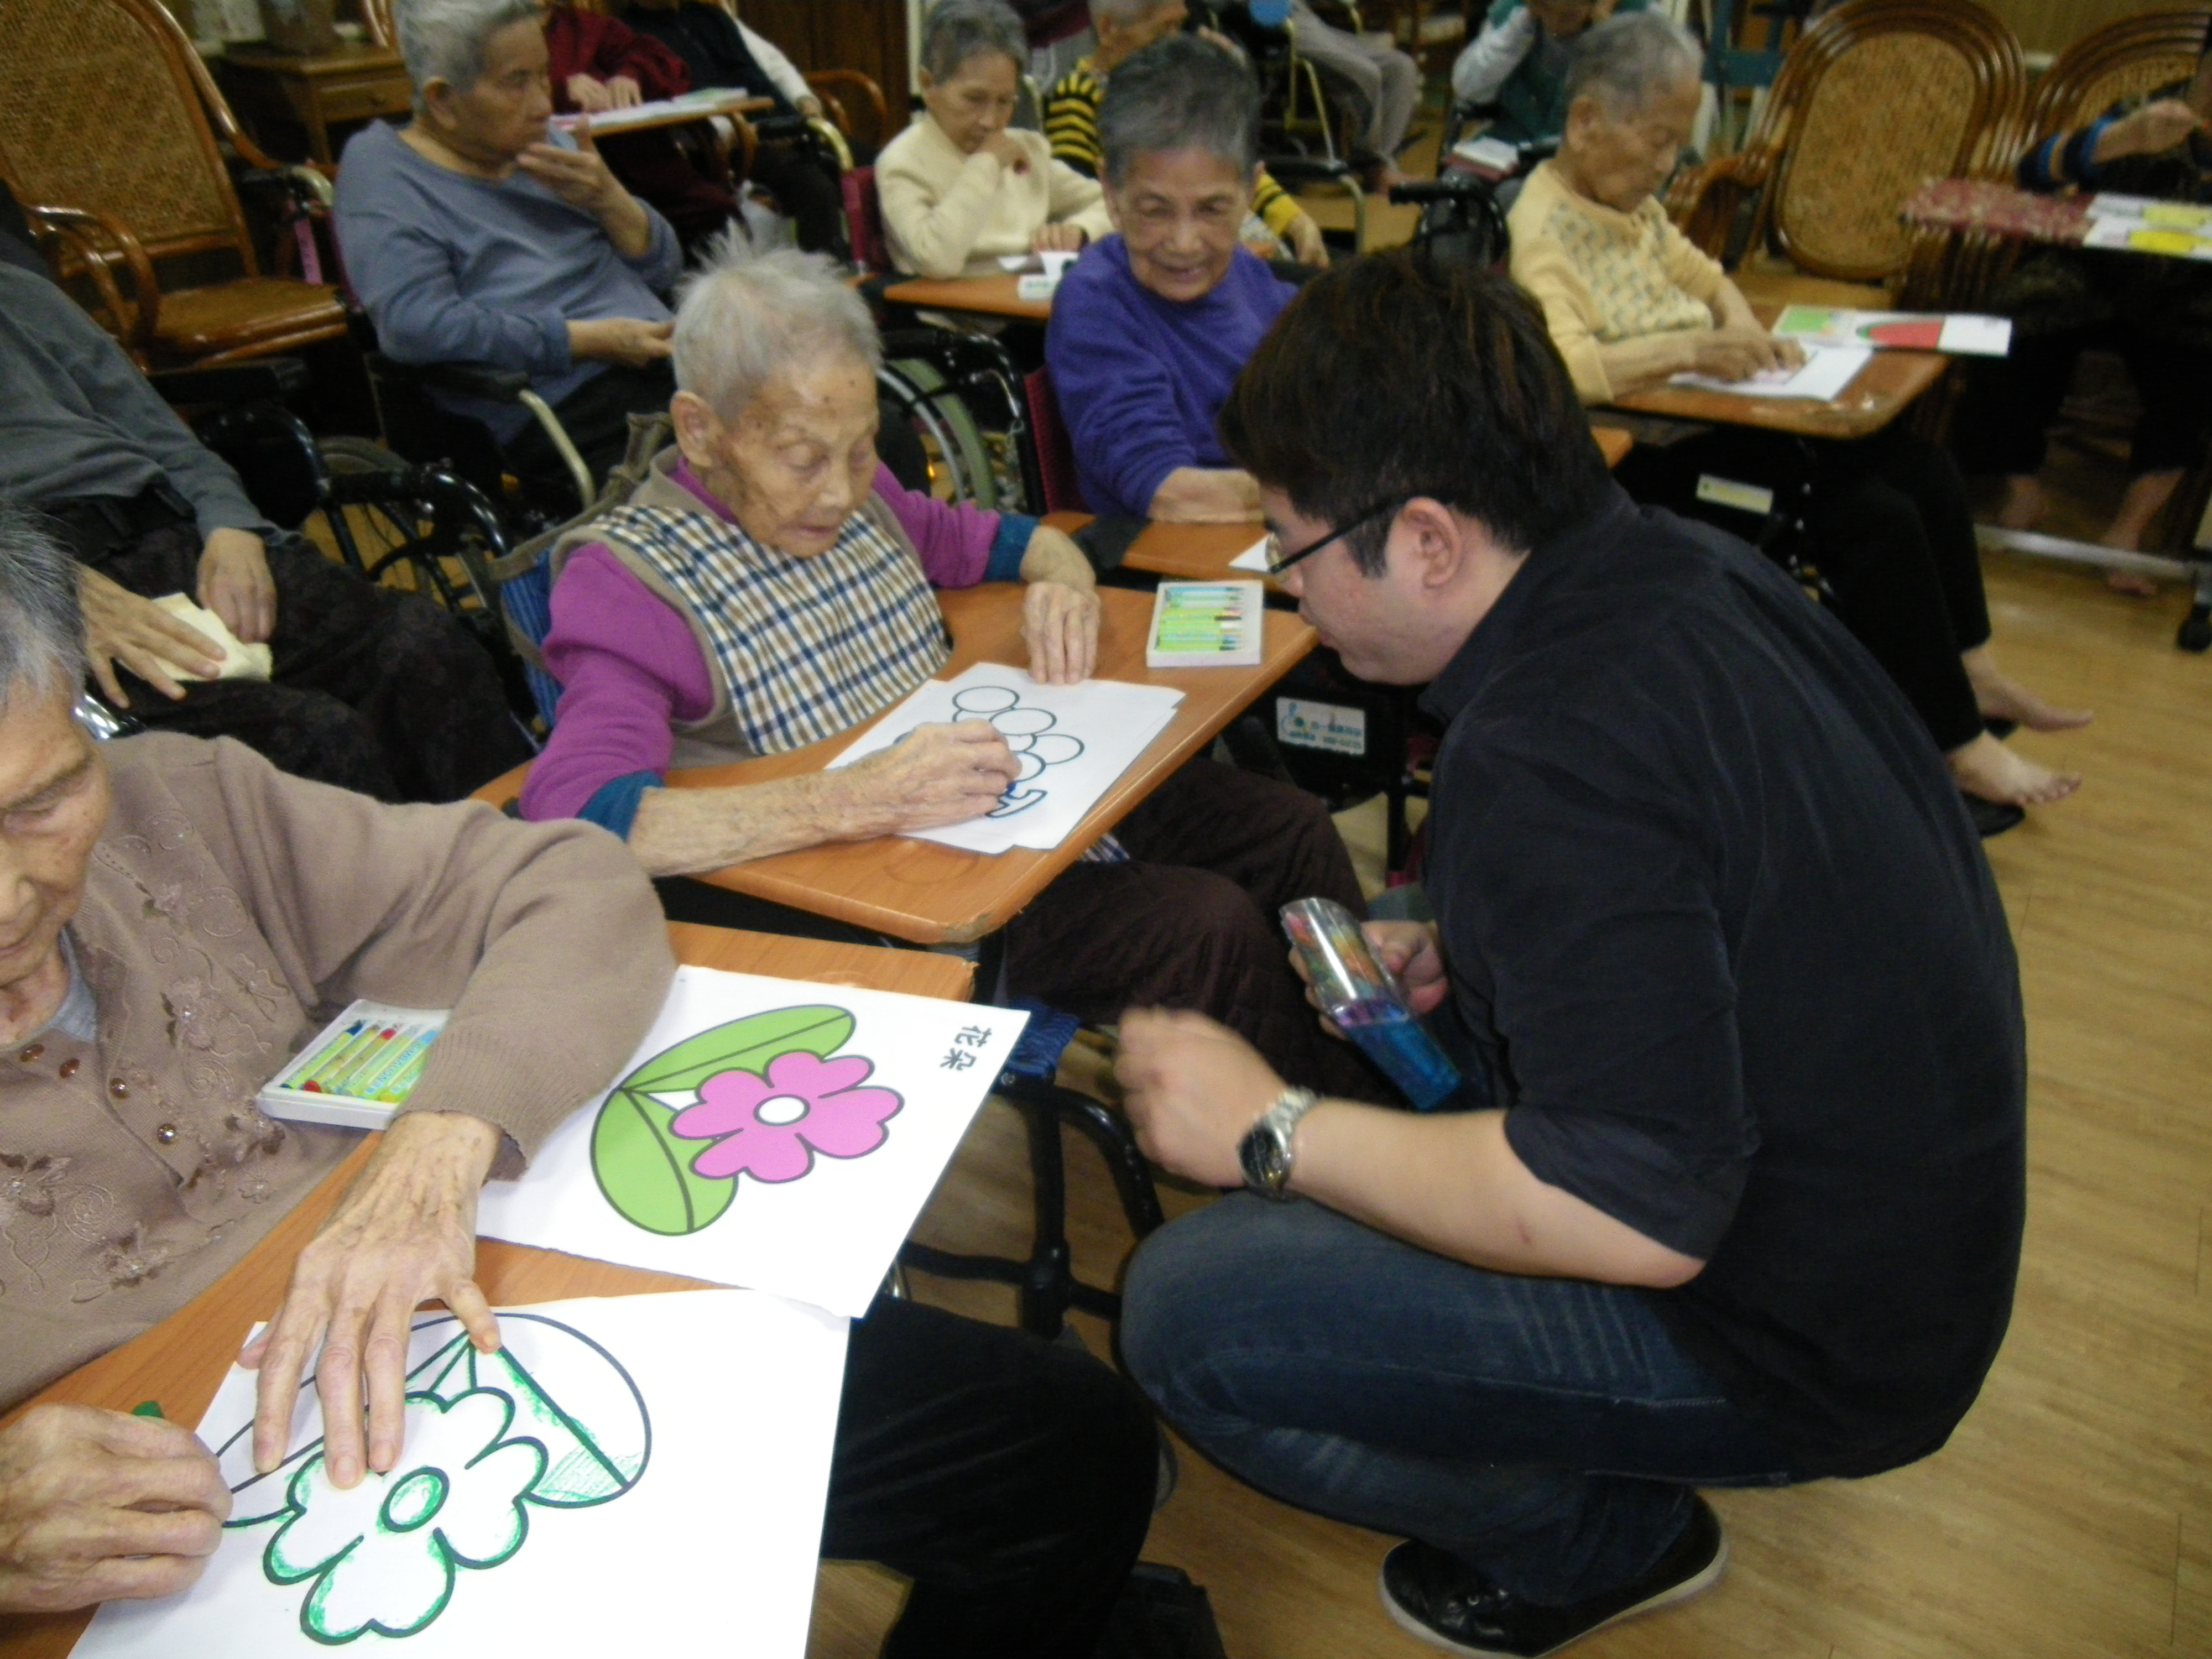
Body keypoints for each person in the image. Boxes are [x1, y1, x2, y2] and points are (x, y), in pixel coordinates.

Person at [0, 515, 1159, 1653]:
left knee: (1066, 1445)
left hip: (461, 1316)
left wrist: (442, 1138)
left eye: (42, 803)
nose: (8, 896)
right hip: (171, 1521)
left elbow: (571, 879)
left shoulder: (177, 804)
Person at [1112, 248, 2028, 1659]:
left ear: (1427, 540)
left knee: (1190, 1318)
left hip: (1809, 1346)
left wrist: (1270, 1128)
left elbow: (1634, 1215)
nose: (1292, 594)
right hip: (1898, 1245)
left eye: (1291, 549)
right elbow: (1697, 888)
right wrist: (1463, 941)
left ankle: (1604, 1538)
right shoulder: (1681, 564)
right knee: (1423, 1025)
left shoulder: (1546, 748)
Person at [521, 243, 1376, 1100]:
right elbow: (578, 814)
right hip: (896, 904)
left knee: (1289, 828)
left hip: (1011, 811)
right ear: (701, 430)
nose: (841, 494)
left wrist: (1067, 586)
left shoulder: (866, 499)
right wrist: (851, 798)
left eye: (861, 450)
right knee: (1205, 930)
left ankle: (1387, 1078)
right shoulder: (629, 587)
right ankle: (1324, 1147)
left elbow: (1017, 541)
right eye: (802, 459)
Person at [1507, 12, 2086, 817]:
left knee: (1923, 468)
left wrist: (1739, 328)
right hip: (1653, 450)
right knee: (1870, 517)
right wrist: (1691, 351)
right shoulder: (1540, 228)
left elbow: (1708, 275)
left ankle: (1972, 667)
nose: (1669, 165)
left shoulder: (1631, 208)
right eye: (1658, 141)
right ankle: (1953, 744)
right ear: (1585, 122)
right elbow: (1563, 368)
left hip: (1721, 410)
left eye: (1679, 143)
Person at [0, 265, 530, 803]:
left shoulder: (22, 294)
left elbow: (168, 441)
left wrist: (232, 526)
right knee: (304, 741)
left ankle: (520, 848)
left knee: (424, 647)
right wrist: (31, 586)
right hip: (34, 586)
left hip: (169, 529)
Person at [336, 0, 684, 504]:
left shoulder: (543, 142)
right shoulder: (384, 172)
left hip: (663, 359)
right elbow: (414, 325)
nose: (544, 104)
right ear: (442, 100)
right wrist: (583, 341)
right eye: (517, 82)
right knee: (722, 485)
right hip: (566, 400)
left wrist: (612, 200)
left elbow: (663, 270)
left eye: (544, 75)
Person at [1955, 20, 2212, 591]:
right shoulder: (2146, 111)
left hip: (2192, 294)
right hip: (2095, 270)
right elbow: (2032, 172)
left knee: (2199, 374)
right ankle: (2022, 489)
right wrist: (2118, 140)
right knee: (2007, 320)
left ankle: (2128, 528)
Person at [1047, 33, 1292, 522]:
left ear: (1250, 191)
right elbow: (1170, 492)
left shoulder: (1256, 280)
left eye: (1212, 209)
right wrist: (1333, 487)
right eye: (1155, 210)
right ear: (1111, 192)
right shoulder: (1096, 305)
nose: (1184, 243)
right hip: (1170, 552)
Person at [1043, 0, 1329, 264]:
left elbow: (1230, 168)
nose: (1176, 41)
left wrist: (1294, 221)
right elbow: (1083, 208)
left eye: (1179, 26)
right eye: (1164, 28)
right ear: (1108, 30)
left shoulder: (1178, 90)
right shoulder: (1079, 98)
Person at [877, 0, 1114, 281]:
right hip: (947, 304)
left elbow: (1115, 203)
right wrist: (985, 165)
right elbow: (937, 260)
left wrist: (1080, 229)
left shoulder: (1025, 149)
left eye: (1005, 101)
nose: (990, 121)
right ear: (928, 85)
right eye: (974, 99)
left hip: (1026, 298)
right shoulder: (903, 162)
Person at [617, 0, 852, 258]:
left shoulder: (711, 15)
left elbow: (774, 63)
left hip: (796, 126)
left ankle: (878, 269)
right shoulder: (631, 36)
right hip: (737, 145)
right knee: (814, 186)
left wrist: (805, 101)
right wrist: (743, 134)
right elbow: (671, 111)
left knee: (871, 164)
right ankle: (829, 277)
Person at [540, 0, 743, 258]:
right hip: (569, 182)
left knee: (715, 213)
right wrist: (555, 88)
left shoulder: (578, 25)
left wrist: (631, 75)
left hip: (643, 167)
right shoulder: (498, 35)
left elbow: (656, 57)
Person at [1452, 0, 1648, 148]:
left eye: (1568, 16)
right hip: (1507, 145)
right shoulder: (1516, 11)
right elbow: (1469, 89)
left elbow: (1631, 119)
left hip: (1581, 158)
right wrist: (1522, 23)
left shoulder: (1638, 25)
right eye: (1545, 8)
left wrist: (1603, 31)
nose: (1554, 25)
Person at [1277, 0, 1420, 189]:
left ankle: (1385, 162)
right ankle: (1372, 165)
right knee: (1367, 74)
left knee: (1401, 67)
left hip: (1312, 23)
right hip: (1285, 28)